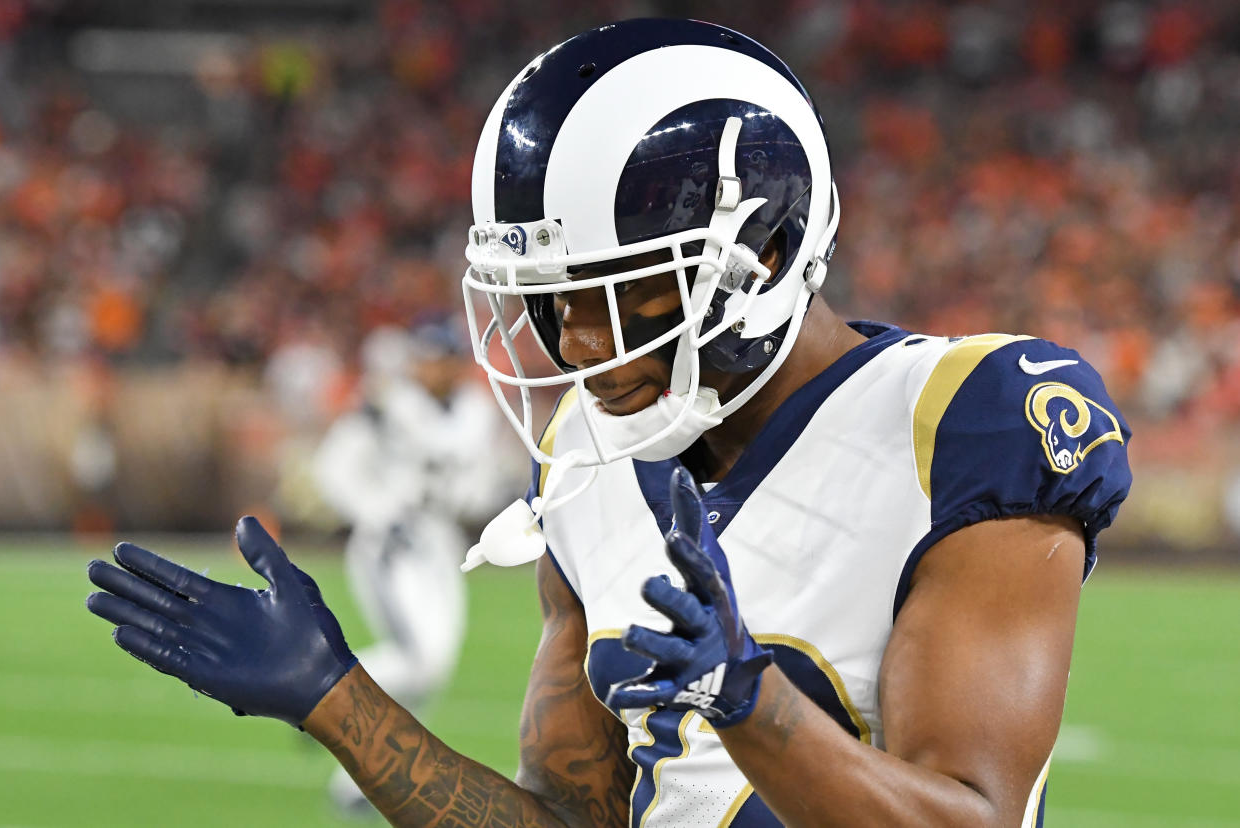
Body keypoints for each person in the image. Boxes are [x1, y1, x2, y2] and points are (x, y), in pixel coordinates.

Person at [86, 19, 1132, 828]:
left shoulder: (962, 420)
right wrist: (334, 697)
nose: (575, 342)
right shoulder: (586, 457)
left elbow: (971, 815)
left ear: (760, 256)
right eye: (548, 298)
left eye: (613, 292)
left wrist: (746, 701)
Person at [310, 320, 518, 813]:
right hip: (393, 547)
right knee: (418, 660)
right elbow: (332, 467)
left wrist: (485, 501)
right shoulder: (386, 407)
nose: (432, 369)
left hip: (441, 546)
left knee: (433, 668)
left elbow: (478, 484)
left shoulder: (474, 410)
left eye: (440, 359)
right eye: (425, 359)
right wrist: (375, 509)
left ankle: (356, 779)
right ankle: (320, 691)